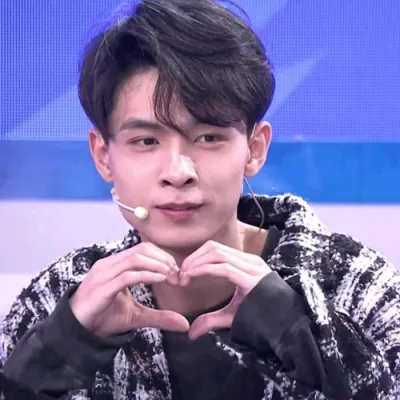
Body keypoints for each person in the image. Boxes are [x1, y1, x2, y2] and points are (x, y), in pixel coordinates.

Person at [1, 0, 399, 399]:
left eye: (208, 137)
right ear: (104, 156)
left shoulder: (356, 287)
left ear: (254, 149)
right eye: (146, 141)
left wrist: (298, 333)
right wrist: (59, 348)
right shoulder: (60, 297)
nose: (178, 172)